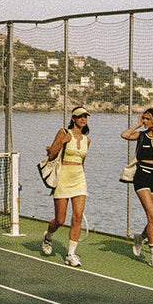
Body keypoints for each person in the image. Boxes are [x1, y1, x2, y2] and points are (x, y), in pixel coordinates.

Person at [121, 107, 153, 268]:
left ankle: (141, 237)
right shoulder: (141, 136)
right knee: (151, 215)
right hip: (142, 176)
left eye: (147, 119)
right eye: (143, 119)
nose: (144, 121)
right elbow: (124, 135)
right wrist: (137, 125)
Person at [41, 106, 90, 267]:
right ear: (73, 119)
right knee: (60, 220)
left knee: (77, 217)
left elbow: (82, 162)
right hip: (63, 178)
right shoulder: (63, 132)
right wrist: (63, 141)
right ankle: (48, 236)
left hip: (79, 179)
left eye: (85, 117)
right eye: (80, 116)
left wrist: (81, 177)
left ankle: (71, 254)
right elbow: (51, 154)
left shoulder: (86, 140)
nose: (83, 119)